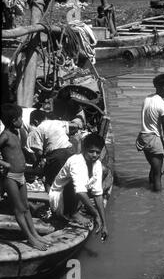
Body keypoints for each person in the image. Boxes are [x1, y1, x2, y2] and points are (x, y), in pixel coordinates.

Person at [0, 104, 51, 251]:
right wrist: (4, 163)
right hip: (11, 178)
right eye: (20, 117)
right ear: (13, 120)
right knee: (18, 209)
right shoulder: (4, 136)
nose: (22, 120)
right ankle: (30, 238)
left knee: (26, 207)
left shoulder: (18, 132)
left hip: (21, 176)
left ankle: (35, 234)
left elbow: (22, 149)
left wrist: (34, 158)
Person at [48, 133, 108, 240]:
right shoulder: (76, 161)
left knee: (104, 173)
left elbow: (98, 194)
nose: (94, 155)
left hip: (77, 196)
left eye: (97, 152)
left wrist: (104, 223)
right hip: (59, 199)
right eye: (91, 151)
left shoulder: (97, 164)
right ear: (84, 149)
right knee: (73, 184)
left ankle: (78, 209)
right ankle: (72, 213)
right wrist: (96, 215)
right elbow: (79, 191)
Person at [136, 73, 164, 191]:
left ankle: (150, 189)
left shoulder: (147, 99)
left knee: (154, 170)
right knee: (158, 175)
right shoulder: (163, 105)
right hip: (154, 140)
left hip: (143, 138)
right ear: (158, 87)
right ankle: (157, 201)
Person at [26, 110, 74, 191]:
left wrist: (38, 161)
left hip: (56, 156)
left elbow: (39, 152)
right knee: (68, 182)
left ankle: (51, 201)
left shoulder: (38, 129)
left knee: (50, 182)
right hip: (70, 152)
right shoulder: (57, 122)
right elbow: (73, 126)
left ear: (35, 121)